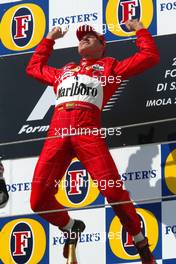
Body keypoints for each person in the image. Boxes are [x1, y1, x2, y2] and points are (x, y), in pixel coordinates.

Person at [26, 19, 160, 263]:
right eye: (80, 38)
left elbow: (149, 56)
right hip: (57, 132)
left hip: (87, 130)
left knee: (111, 190)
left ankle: (140, 242)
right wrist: (48, 40)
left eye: (90, 36)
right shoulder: (63, 71)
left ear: (102, 45)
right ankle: (70, 225)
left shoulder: (110, 68)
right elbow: (33, 68)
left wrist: (140, 30)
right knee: (37, 200)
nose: (83, 39)